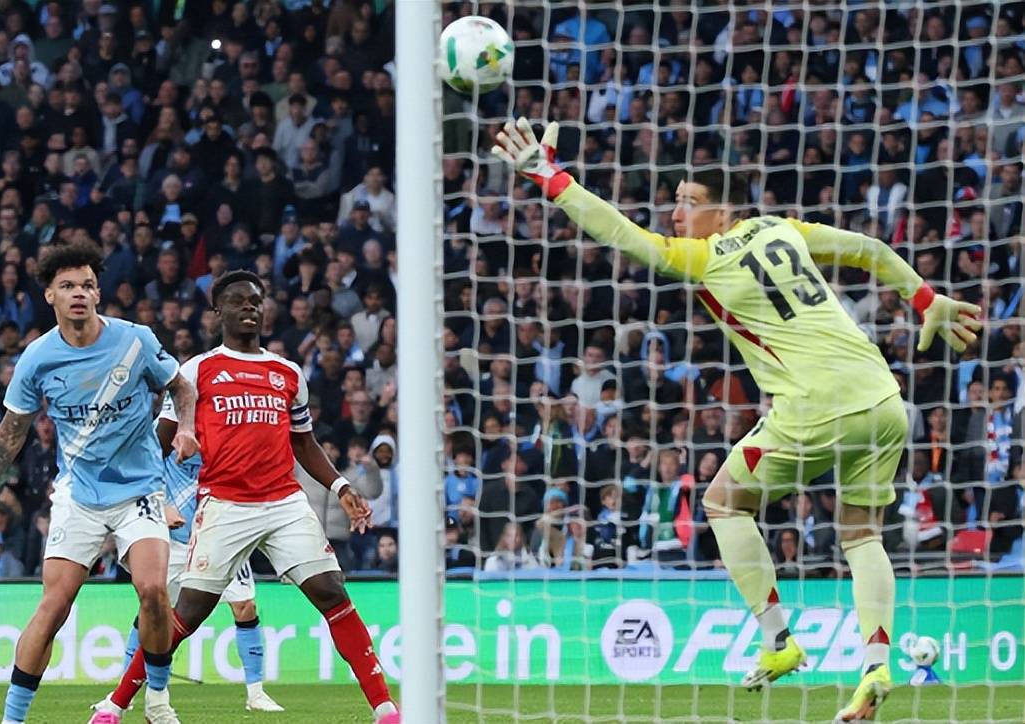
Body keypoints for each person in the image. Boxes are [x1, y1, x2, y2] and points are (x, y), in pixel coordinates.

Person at [492, 117, 983, 723]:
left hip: (817, 405)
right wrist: (926, 299)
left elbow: (623, 235)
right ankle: (877, 667)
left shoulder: (707, 257)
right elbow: (870, 250)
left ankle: (779, 641)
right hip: (884, 400)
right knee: (863, 536)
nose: (677, 214)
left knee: (723, 502)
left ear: (723, 212)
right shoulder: (784, 229)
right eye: (675, 201)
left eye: (690, 202)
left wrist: (551, 179)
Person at [108, 270, 400, 724]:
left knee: (331, 591)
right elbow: (158, 441)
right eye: (238, 300)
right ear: (217, 311)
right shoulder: (196, 371)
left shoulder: (288, 373)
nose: (249, 306)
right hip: (224, 505)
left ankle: (385, 709)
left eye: (256, 301)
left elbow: (304, 443)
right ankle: (116, 703)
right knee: (189, 612)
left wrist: (341, 486)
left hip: (284, 503)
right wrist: (146, 498)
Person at [0, 242, 198, 724]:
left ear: (98, 294)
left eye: (86, 285)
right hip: (78, 496)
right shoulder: (37, 358)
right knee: (54, 606)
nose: (79, 293)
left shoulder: (135, 340)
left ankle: (158, 702)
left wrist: (185, 428)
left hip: (140, 492)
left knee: (153, 591)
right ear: (50, 296)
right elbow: (10, 433)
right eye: (68, 286)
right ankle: (12, 719)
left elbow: (181, 385)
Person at [93, 395, 283, 719]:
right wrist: (161, 507)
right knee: (154, 611)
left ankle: (256, 692)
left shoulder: (228, 430)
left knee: (245, 605)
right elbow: (141, 470)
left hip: (218, 534)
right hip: (175, 538)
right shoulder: (166, 430)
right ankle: (123, 691)